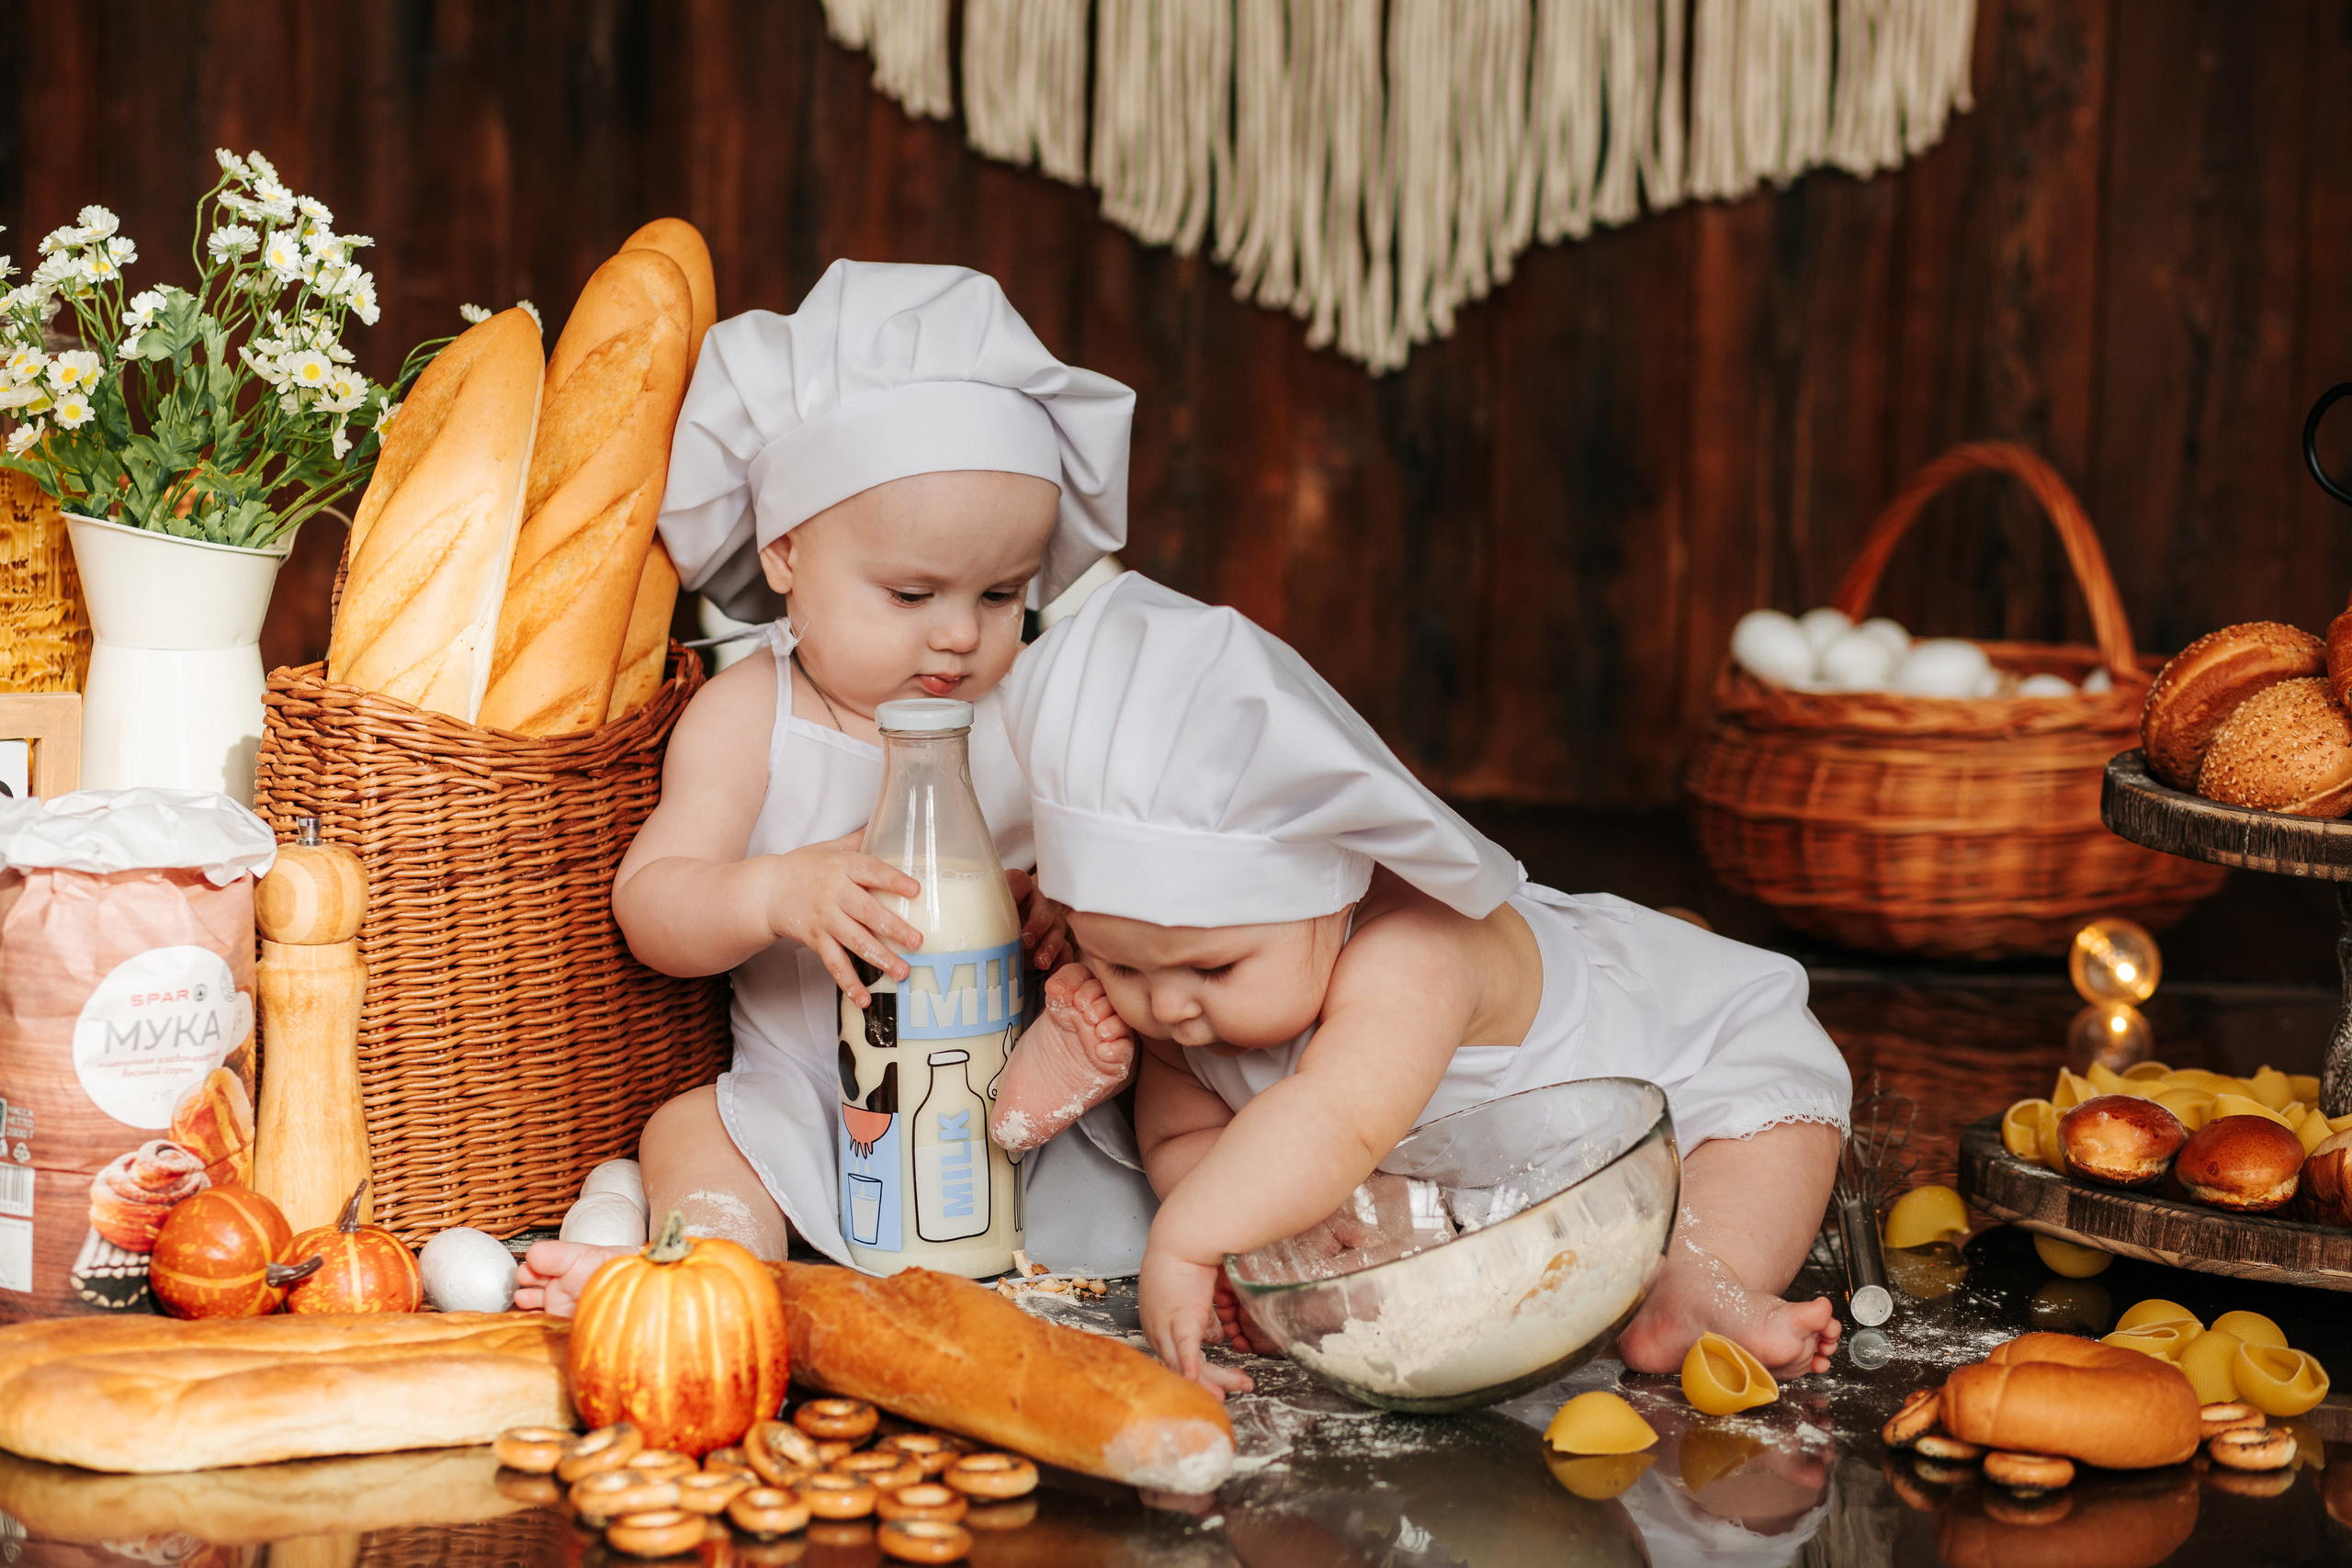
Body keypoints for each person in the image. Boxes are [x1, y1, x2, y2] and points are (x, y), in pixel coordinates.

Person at [990, 573, 1852, 1394]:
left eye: (1214, 969)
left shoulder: (1415, 951)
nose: (1168, 1008)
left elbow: (1334, 1120)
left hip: (1687, 1080)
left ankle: (1698, 1280)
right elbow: (1182, 1144)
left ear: (1331, 900)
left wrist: (1187, 1243)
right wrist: (1281, 1237)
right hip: (1494, 1172)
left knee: (1764, 1140)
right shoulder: (1184, 1000)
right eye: (1119, 965)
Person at [514, 260, 1155, 1313]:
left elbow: (1099, 869)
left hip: (999, 1092)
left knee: (1116, 1075)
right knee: (693, 1127)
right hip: (816, 1098)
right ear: (784, 554)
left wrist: (1052, 909)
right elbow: (652, 904)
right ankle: (711, 1267)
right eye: (911, 592)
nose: (959, 633)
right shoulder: (756, 712)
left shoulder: (1024, 713)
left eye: (1002, 594)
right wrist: (773, 894)